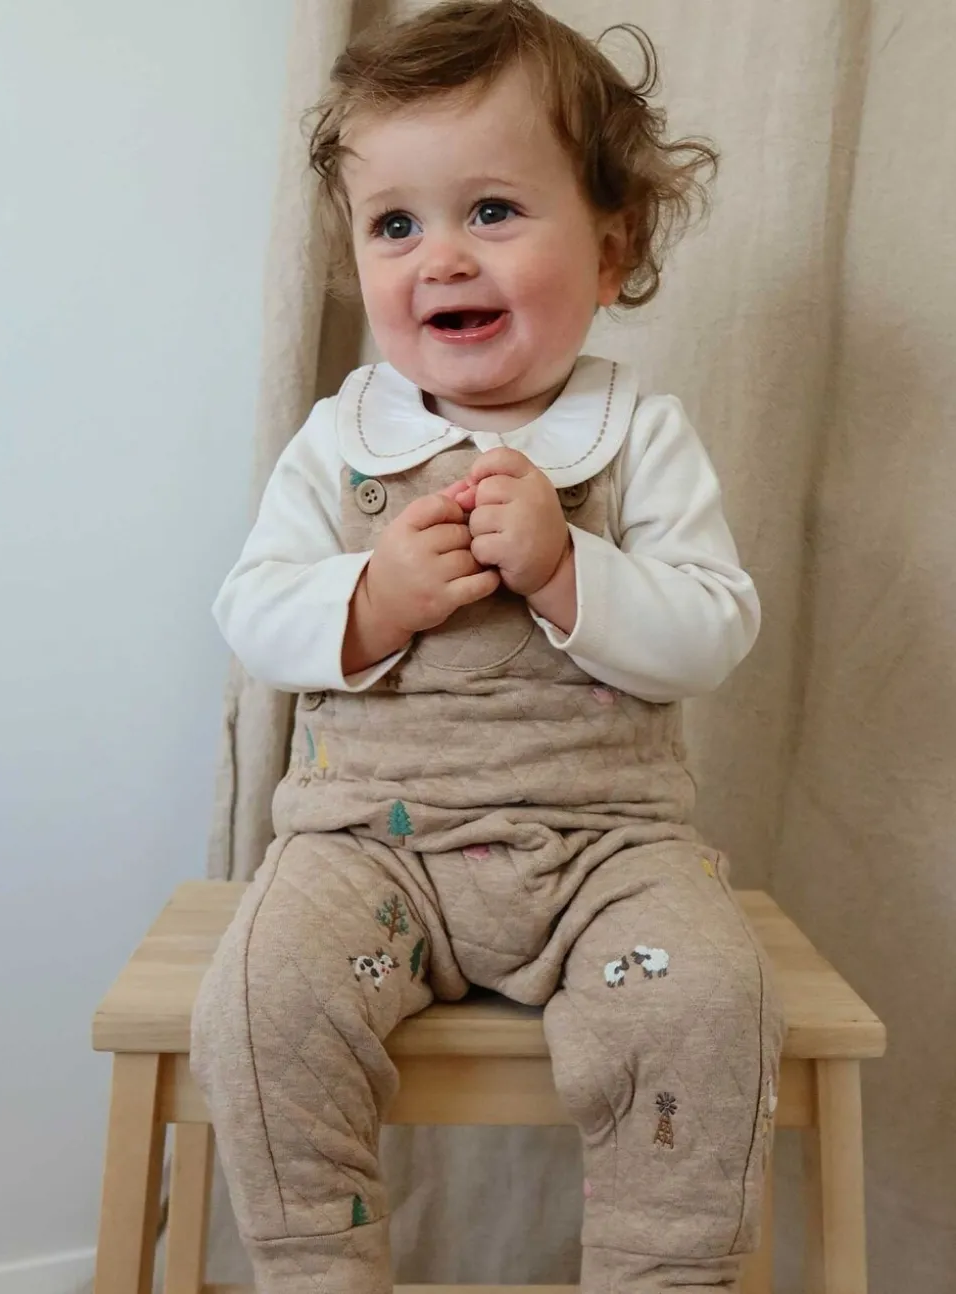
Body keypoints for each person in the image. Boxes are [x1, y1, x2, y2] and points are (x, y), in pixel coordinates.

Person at [191, 2, 785, 1290]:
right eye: (395, 224)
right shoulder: (343, 437)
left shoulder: (638, 438)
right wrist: (374, 596)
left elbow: (713, 628)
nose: (442, 259)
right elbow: (254, 608)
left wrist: (571, 571)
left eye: (494, 211)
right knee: (258, 1002)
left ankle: (659, 1272)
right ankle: (318, 1268)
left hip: (605, 856)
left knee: (710, 1003)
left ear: (612, 249)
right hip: (369, 850)